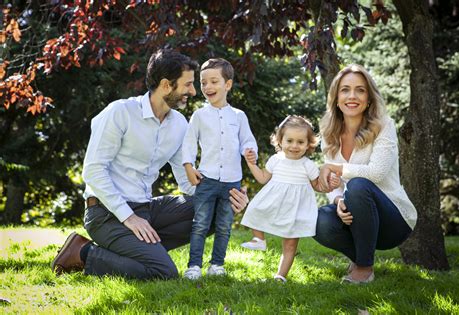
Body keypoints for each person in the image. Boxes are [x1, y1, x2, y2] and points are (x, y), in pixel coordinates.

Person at [51, 49, 249, 280]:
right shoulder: (120, 112)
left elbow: (186, 181)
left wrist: (226, 197)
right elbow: (93, 171)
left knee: (214, 209)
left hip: (146, 208)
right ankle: (83, 252)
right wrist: (129, 217)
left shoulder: (179, 125)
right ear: (166, 85)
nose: (194, 92)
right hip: (105, 213)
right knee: (163, 272)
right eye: (187, 85)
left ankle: (142, 251)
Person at [314, 64, 417, 284]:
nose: (352, 96)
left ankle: (364, 267)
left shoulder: (384, 126)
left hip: (394, 219)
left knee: (359, 185)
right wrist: (339, 200)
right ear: (336, 97)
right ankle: (359, 255)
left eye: (360, 90)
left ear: (369, 97)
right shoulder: (328, 132)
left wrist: (337, 169)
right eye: (345, 90)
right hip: (355, 216)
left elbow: (377, 173)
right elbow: (334, 184)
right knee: (317, 220)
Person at [181, 58, 258, 279]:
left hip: (232, 181)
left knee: (224, 226)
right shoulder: (199, 115)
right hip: (206, 179)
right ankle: (194, 266)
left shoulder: (238, 116)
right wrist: (188, 166)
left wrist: (250, 151)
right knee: (200, 224)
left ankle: (217, 265)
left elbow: (248, 141)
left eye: (214, 81)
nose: (207, 87)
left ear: (228, 84)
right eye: (203, 82)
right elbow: (188, 143)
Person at [240, 115, 340, 282]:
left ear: (308, 144)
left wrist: (331, 185)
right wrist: (251, 164)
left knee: (290, 244)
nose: (294, 146)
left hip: (296, 208)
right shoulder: (276, 160)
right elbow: (263, 178)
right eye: (290, 141)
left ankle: (281, 276)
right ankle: (259, 239)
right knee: (254, 209)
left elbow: (318, 186)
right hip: (274, 201)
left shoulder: (307, 164)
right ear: (280, 140)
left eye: (300, 142)